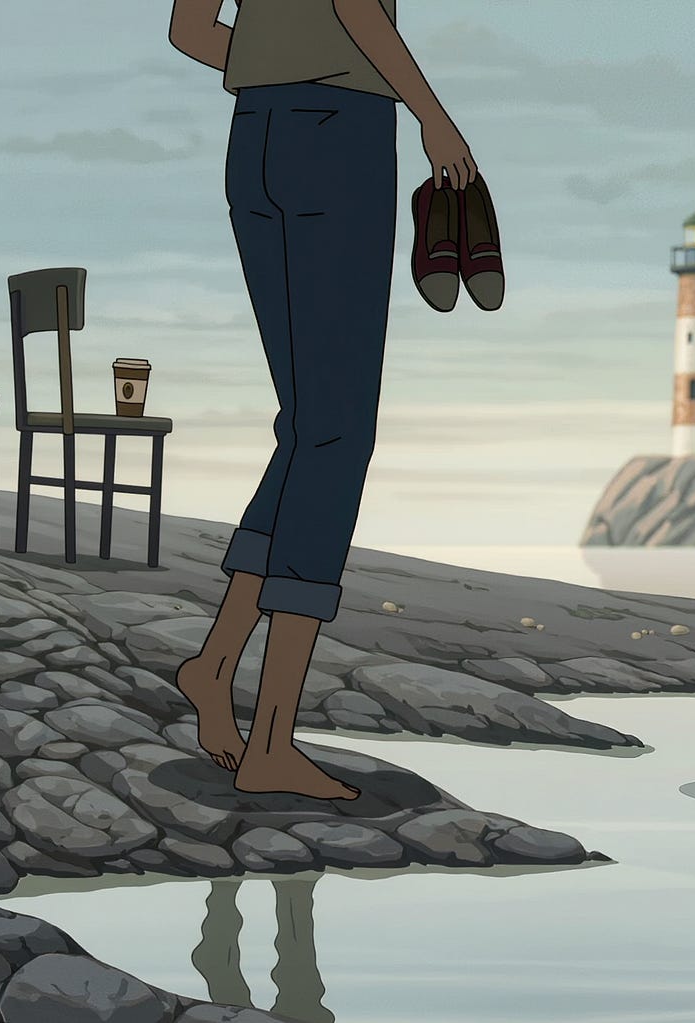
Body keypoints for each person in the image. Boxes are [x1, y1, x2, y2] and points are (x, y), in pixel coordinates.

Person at [167, 0, 476, 799]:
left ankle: (216, 664)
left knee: (308, 425)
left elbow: (189, 32)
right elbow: (356, 8)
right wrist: (433, 117)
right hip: (341, 137)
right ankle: (272, 739)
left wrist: (273, 64)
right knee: (336, 433)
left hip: (255, 137)